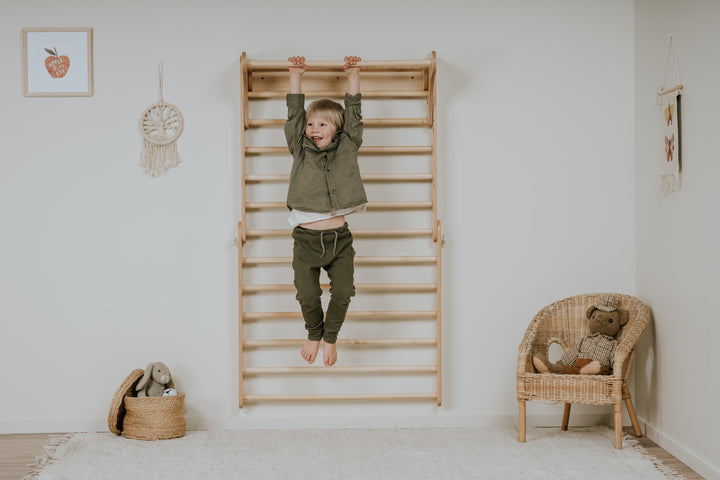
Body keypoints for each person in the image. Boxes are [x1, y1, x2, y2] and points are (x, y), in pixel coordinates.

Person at [285, 55, 367, 367]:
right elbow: (294, 115)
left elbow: (355, 117)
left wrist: (353, 77)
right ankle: (314, 333)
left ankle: (330, 338)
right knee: (307, 295)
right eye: (310, 123)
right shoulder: (299, 147)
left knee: (344, 291)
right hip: (305, 242)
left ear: (337, 130)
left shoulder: (348, 145)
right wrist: (295, 76)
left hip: (339, 241)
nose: (313, 128)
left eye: (322, 123)